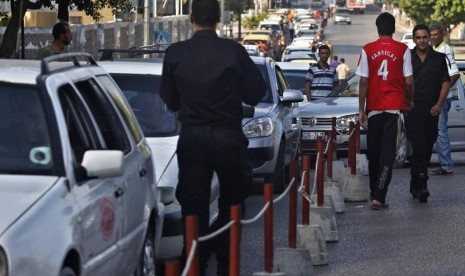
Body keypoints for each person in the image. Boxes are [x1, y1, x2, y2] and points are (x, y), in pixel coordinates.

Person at [159, 0, 267, 273]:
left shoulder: (175, 54)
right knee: (233, 201)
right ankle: (225, 261)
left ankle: (196, 258)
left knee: (193, 204)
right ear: (219, 18)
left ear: (191, 17)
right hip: (228, 135)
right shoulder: (234, 52)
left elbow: (169, 100)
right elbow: (256, 92)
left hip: (192, 137)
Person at [356, 12, 414, 210]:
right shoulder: (403, 50)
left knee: (374, 151)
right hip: (394, 108)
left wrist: (361, 110)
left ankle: (375, 191)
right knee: (387, 153)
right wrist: (409, 99)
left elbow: (363, 82)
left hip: (374, 107)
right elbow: (408, 81)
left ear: (377, 28)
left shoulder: (367, 50)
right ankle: (379, 195)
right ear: (394, 28)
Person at [407, 24, 450, 203]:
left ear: (429, 38)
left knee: (427, 145)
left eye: (425, 37)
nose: (422, 40)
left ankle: (415, 181)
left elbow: (446, 83)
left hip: (432, 110)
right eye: (418, 37)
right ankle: (422, 183)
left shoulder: (439, 58)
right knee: (418, 146)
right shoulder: (407, 58)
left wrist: (439, 104)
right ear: (414, 39)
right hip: (413, 109)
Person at [429, 22, 460, 176]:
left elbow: (455, 74)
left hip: (443, 98)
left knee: (441, 131)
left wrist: (443, 90)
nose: (433, 38)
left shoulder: (445, 50)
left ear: (442, 34)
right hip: (437, 98)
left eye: (436, 35)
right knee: (435, 130)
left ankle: (446, 165)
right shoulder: (435, 49)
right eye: (431, 35)